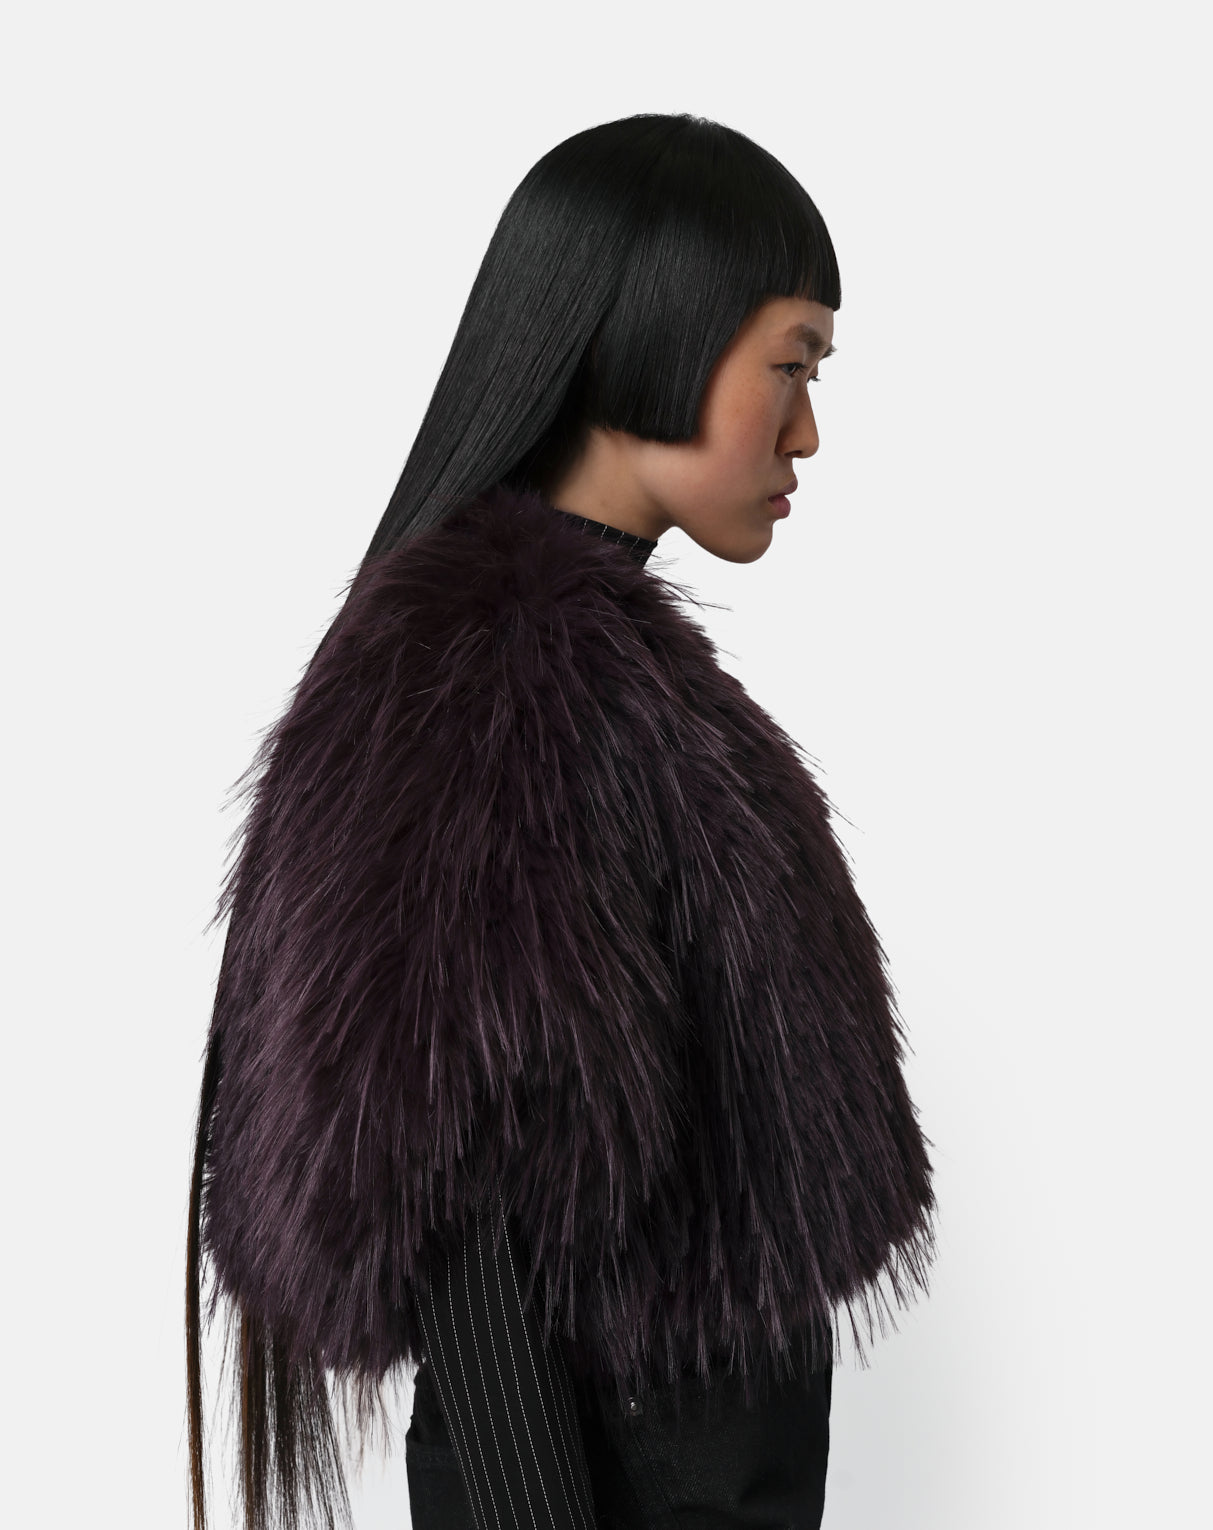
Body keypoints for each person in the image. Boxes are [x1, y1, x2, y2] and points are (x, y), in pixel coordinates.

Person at [186, 111, 939, 1530]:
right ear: (656, 337)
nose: (808, 431)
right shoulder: (497, 672)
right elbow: (459, 1213)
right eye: (790, 366)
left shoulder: (587, 669)